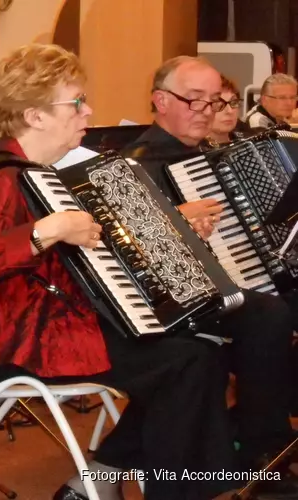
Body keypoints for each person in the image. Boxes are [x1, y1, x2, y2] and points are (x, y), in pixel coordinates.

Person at [0, 42, 238, 500]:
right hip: (6, 338)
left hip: (46, 320)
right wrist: (44, 231)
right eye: (75, 102)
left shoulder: (44, 170)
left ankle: (110, 478)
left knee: (198, 351)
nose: (88, 110)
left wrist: (172, 232)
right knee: (186, 363)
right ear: (35, 115)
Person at [123, 55, 298, 499]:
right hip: (173, 304)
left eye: (214, 100)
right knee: (268, 314)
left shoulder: (206, 155)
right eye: (194, 99)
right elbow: (131, 259)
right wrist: (177, 223)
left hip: (227, 286)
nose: (206, 110)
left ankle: (265, 434)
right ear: (160, 101)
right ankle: (259, 447)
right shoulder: (136, 163)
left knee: (282, 301)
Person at [208, 74, 250, 146]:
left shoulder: (247, 141)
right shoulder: (193, 151)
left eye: (234, 103)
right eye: (219, 105)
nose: (230, 111)